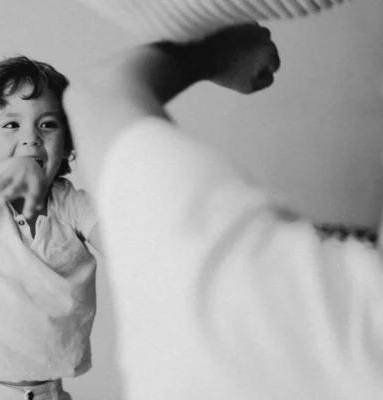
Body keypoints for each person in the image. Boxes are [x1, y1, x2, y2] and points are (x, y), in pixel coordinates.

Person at [63, 9, 383, 400]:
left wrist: (214, 54)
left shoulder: (251, 314)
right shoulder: (323, 320)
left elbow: (100, 95)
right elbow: (100, 96)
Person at [0, 56, 103, 400]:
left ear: (69, 144)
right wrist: (9, 172)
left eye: (48, 125)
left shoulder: (72, 205)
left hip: (47, 393)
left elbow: (127, 242)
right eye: (11, 125)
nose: (31, 138)